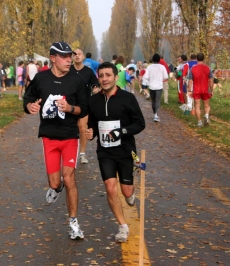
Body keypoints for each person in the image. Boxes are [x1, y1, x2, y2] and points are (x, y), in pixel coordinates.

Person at [23, 41, 88, 240]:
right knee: (55, 182)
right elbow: (27, 98)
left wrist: (70, 109)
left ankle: (74, 222)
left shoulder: (76, 80)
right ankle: (55, 188)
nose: (69, 60)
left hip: (70, 137)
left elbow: (84, 109)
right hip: (49, 138)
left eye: (70, 56)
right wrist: (29, 107)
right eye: (64, 56)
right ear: (53, 58)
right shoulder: (41, 78)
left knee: (69, 179)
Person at [85, 62, 145, 243]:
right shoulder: (93, 101)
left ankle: (130, 194)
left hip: (126, 151)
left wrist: (123, 131)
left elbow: (140, 123)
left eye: (108, 75)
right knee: (110, 188)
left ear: (115, 76)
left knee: (126, 191)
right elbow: (93, 124)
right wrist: (91, 133)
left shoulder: (127, 98)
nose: (104, 79)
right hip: (105, 152)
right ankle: (122, 227)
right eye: (101, 75)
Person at [70, 48, 100, 164]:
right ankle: (71, 153)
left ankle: (82, 154)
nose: (77, 56)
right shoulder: (68, 70)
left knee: (82, 128)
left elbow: (95, 83)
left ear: (83, 57)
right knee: (72, 129)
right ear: (72, 57)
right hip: (70, 104)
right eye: (75, 54)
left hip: (84, 104)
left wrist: (96, 88)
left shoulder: (88, 71)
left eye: (79, 54)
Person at [187, 52, 214, 127]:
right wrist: (211, 90)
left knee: (197, 106)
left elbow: (190, 81)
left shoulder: (192, 69)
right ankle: (206, 115)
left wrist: (189, 90)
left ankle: (199, 122)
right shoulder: (208, 68)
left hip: (196, 90)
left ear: (196, 59)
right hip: (205, 90)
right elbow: (211, 80)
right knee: (207, 105)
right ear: (204, 59)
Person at [142, 54, 169, 122]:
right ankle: (156, 115)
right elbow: (166, 76)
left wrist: (149, 82)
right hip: (159, 86)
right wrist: (161, 79)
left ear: (153, 59)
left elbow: (145, 77)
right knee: (157, 100)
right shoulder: (162, 67)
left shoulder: (149, 67)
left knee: (153, 101)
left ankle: (154, 113)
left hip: (151, 86)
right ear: (159, 59)